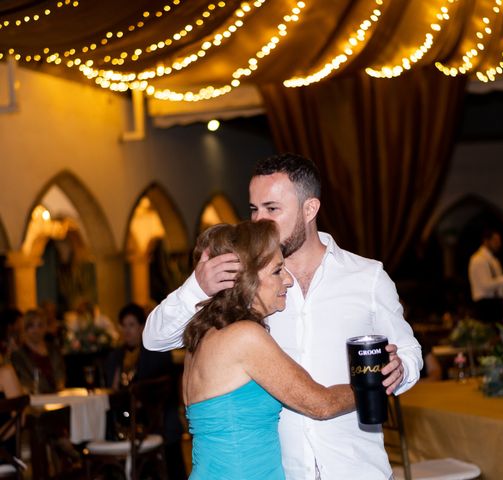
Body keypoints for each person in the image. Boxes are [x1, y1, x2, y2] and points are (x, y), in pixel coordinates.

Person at [144, 153, 423, 479]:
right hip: (284, 470)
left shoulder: (368, 277)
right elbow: (155, 339)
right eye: (254, 209)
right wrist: (196, 288)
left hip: (356, 466)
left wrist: (399, 370)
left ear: (310, 209)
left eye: (271, 209)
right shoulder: (250, 284)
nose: (260, 220)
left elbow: (409, 352)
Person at [184, 220, 356, 479]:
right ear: (247, 280)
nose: (288, 280)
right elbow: (321, 405)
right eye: (277, 271)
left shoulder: (199, 337)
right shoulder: (244, 337)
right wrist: (373, 384)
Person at [105, 303, 186, 479]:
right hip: (125, 419)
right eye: (124, 326)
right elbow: (112, 389)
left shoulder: (156, 351)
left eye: (132, 325)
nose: (127, 331)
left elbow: (162, 390)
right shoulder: (116, 356)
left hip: (156, 420)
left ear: (142, 326)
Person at [11, 309, 66, 393]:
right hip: (36, 398)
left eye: (40, 325)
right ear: (24, 329)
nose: (36, 330)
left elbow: (60, 373)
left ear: (45, 327)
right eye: (31, 326)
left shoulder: (53, 349)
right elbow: (25, 381)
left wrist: (59, 389)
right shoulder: (18, 355)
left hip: (58, 395)